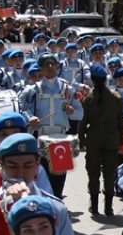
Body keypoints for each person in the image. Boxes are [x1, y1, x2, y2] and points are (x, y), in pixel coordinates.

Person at [19, 53, 84, 200]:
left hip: (60, 136)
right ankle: (44, 202)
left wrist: (71, 111)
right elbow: (22, 108)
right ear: (40, 69)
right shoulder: (32, 90)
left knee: (59, 175)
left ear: (57, 66)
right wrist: (31, 118)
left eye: (52, 64)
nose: (49, 67)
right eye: (45, 64)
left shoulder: (68, 89)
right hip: (40, 136)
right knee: (42, 173)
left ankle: (57, 201)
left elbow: (80, 114)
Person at [78, 64, 123, 216]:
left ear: (92, 80)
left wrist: (81, 140)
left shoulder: (88, 98)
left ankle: (94, 205)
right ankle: (109, 207)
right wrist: (120, 139)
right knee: (109, 173)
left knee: (93, 173)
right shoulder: (116, 97)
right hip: (111, 138)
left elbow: (82, 121)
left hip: (94, 138)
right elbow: (121, 121)